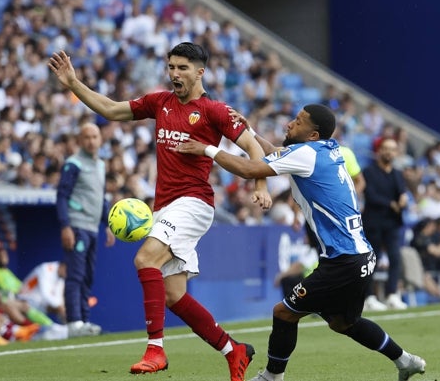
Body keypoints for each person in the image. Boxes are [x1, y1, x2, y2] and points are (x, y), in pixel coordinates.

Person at [48, 42, 272, 380]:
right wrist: (74, 84)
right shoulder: (160, 102)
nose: (175, 74)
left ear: (200, 72)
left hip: (194, 202)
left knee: (144, 259)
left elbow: (253, 145)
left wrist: (260, 184)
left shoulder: (214, 110)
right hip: (165, 206)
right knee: (174, 296)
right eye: (171, 67)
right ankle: (233, 350)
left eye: (182, 68)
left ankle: (156, 350)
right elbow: (111, 109)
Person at [174, 104, 426, 380]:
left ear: (313, 134)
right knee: (343, 323)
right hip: (362, 256)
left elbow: (248, 169)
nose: (289, 124)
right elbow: (277, 154)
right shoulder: (325, 150)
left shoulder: (306, 154)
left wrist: (207, 149)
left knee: (284, 312)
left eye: (298, 121)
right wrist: (249, 132)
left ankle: (272, 377)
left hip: (343, 261)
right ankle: (405, 361)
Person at [56, 122, 116, 338]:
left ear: (100, 140)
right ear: (79, 141)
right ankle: (74, 322)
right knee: (76, 275)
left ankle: (84, 321)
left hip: (92, 227)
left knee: (88, 276)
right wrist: (66, 226)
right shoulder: (73, 164)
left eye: (94, 137)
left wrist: (107, 224)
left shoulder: (100, 165)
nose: (91, 141)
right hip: (77, 225)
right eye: (87, 137)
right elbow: (62, 196)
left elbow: (99, 198)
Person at [361, 137, 409, 310]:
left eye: (392, 149)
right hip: (373, 222)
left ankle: (392, 294)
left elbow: (402, 192)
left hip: (392, 222)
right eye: (386, 148)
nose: (389, 152)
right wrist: (391, 204)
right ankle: (369, 297)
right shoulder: (369, 172)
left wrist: (403, 199)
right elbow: (370, 195)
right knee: (371, 260)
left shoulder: (397, 173)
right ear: (379, 151)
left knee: (395, 259)